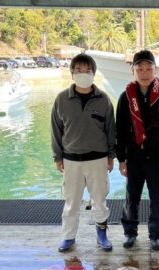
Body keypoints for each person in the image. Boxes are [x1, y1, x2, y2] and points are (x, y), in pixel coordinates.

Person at [115, 50, 159, 251]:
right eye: (140, 68)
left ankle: (155, 235)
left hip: (157, 156)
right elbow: (120, 131)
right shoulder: (126, 97)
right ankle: (130, 233)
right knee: (131, 197)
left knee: (157, 198)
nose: (144, 73)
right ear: (133, 70)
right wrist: (122, 159)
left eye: (148, 68)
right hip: (134, 157)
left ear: (155, 69)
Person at [51, 53, 115, 252]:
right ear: (72, 73)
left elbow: (111, 130)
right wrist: (57, 156)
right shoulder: (62, 99)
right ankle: (68, 237)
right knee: (71, 202)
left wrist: (111, 156)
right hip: (71, 160)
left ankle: (102, 235)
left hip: (98, 160)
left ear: (94, 73)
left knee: (99, 201)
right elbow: (55, 130)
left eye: (87, 70)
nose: (83, 74)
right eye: (78, 70)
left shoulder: (103, 100)